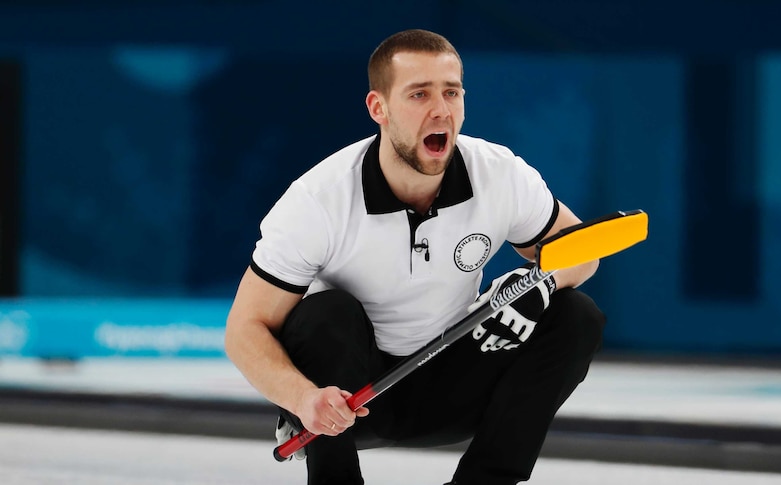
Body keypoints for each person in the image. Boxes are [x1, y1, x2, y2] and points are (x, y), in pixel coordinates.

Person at [224, 29, 606, 485]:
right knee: (326, 313)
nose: (441, 109)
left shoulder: (501, 174)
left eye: (451, 92)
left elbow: (585, 252)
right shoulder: (318, 200)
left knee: (575, 314)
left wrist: (541, 284)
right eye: (419, 94)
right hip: (350, 405)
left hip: (454, 387)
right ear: (378, 108)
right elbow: (244, 330)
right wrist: (304, 398)